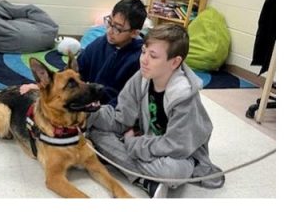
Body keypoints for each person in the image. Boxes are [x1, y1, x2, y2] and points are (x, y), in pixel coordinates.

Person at [86, 24, 224, 198]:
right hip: (146, 143)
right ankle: (146, 180)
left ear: (175, 62)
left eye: (153, 56)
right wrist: (90, 113)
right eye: (144, 52)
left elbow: (176, 147)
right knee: (97, 132)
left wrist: (133, 144)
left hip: (178, 155)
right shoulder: (141, 78)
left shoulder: (184, 96)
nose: (143, 60)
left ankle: (127, 167)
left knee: (173, 171)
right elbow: (121, 119)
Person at [20, 0, 146, 106]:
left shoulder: (138, 59)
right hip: (87, 100)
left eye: (117, 28)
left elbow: (128, 100)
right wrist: (40, 86)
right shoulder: (100, 43)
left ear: (134, 33)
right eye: (109, 23)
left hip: (110, 110)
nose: (109, 31)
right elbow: (72, 72)